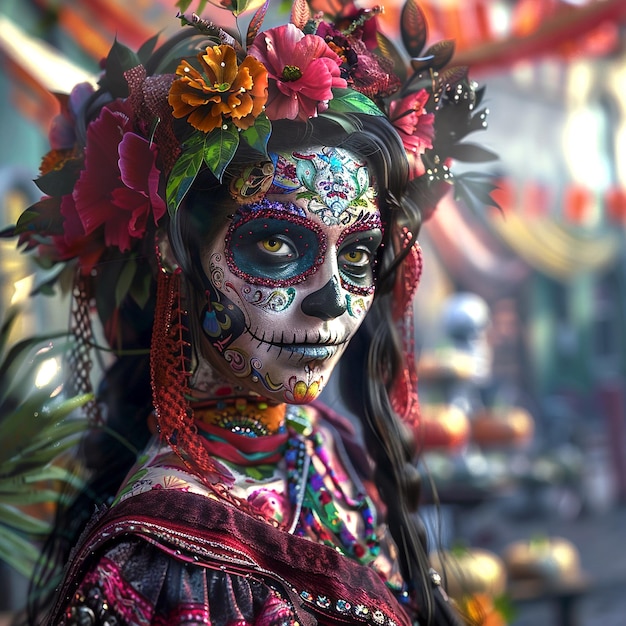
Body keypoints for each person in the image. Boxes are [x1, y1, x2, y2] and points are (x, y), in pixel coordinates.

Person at [7, 0, 494, 624]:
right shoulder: (160, 562)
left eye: (358, 255)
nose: (332, 299)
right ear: (173, 254)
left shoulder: (323, 446)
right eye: (276, 245)